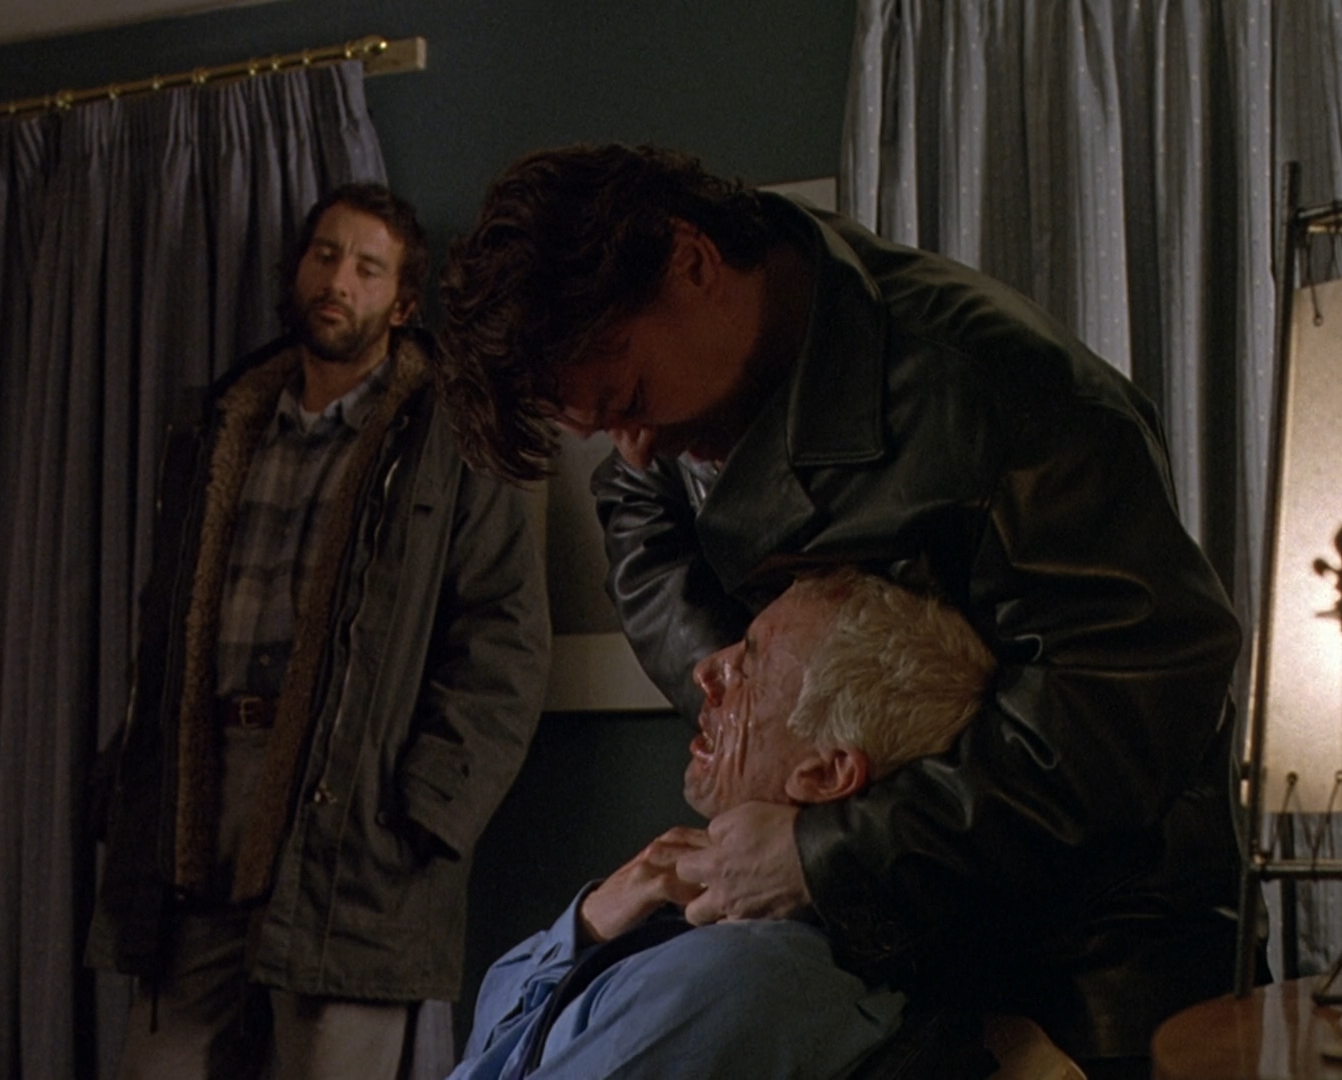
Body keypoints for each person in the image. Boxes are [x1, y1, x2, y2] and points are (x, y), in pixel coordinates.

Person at [437, 144, 1247, 1071]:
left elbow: (1137, 696)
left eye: (631, 402)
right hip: (877, 926)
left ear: (691, 261)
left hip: (1093, 946)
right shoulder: (679, 408)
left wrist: (829, 850)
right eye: (601, 429)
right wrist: (760, 722)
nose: (632, 451)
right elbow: (643, 518)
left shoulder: (1001, 393)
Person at [88, 183, 551, 1080]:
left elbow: (506, 639)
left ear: (403, 304)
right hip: (199, 808)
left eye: (368, 268)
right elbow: (162, 626)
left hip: (354, 826)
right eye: (326, 256)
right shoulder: (223, 424)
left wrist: (427, 811)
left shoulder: (450, 434)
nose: (339, 280)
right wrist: (125, 781)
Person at [453, 569, 1001, 1080]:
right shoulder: (701, 933)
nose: (705, 673)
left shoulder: (743, 978)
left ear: (827, 773)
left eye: (751, 667)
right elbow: (493, 1042)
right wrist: (587, 926)